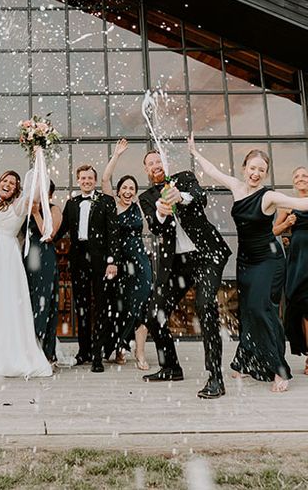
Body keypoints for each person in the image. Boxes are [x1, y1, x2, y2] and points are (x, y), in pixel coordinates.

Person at [189, 140, 308, 392]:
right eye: (252, 168)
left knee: (260, 309)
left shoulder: (269, 195)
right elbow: (213, 172)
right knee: (247, 311)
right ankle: (246, 360)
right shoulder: (236, 186)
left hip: (269, 260)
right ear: (244, 167)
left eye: (261, 170)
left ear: (266, 174)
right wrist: (195, 152)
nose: (255, 174)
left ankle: (279, 370)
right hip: (245, 261)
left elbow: (301, 204)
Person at [138, 145, 231, 398]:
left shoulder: (184, 178)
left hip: (207, 256)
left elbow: (201, 198)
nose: (155, 165)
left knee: (204, 306)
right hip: (177, 263)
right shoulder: (146, 197)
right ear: (146, 171)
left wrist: (182, 197)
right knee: (153, 313)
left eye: (158, 160)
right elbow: (156, 228)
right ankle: (170, 367)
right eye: (150, 163)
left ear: (165, 163)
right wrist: (160, 211)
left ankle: (215, 378)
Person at [0, 171, 52, 377]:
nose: (8, 185)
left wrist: (38, 155)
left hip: (5, 257)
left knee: (2, 302)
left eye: (13, 183)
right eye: (5, 180)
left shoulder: (19, 205)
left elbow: (35, 194)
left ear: (17, 189)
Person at [55, 165, 121, 373]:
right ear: (78, 180)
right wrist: (46, 238)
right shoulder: (72, 203)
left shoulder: (106, 201)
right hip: (78, 259)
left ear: (94, 180)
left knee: (100, 306)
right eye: (83, 178)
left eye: (90, 178)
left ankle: (97, 354)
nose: (86, 181)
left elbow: (113, 234)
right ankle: (83, 351)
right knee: (81, 306)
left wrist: (112, 261)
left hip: (100, 260)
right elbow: (62, 228)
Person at [101, 139, 152, 370]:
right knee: (122, 306)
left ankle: (139, 352)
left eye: (132, 188)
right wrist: (116, 155)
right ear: (119, 190)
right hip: (120, 263)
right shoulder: (112, 204)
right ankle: (120, 347)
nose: (128, 191)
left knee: (141, 303)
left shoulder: (139, 206)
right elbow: (104, 180)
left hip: (140, 261)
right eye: (125, 187)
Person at [274, 166, 308, 374]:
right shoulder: (288, 205)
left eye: (305, 175)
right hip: (299, 260)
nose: (301, 178)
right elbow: (273, 231)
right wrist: (287, 222)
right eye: (297, 176)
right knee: (304, 307)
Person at [25, 179, 63, 365]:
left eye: (43, 192)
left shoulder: (54, 209)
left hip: (44, 257)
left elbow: (49, 235)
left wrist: (37, 214)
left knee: (43, 301)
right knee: (28, 301)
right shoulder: (27, 209)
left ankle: (44, 350)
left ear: (50, 195)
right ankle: (28, 346)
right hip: (27, 258)